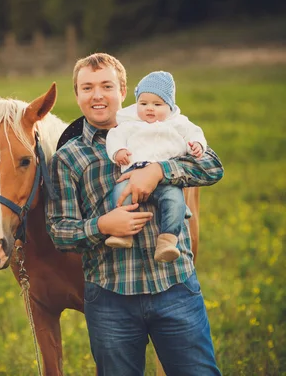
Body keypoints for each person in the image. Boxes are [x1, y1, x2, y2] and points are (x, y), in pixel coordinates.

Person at [46, 53, 223, 375]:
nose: (97, 95)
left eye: (106, 86)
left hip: (175, 287)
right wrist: (102, 225)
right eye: (87, 88)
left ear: (123, 90)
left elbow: (212, 168)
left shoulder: (163, 127)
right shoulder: (68, 157)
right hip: (110, 296)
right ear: (77, 95)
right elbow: (59, 230)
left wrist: (159, 170)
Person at [104, 71, 207, 263]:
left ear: (170, 106)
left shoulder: (177, 123)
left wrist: (197, 145)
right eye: (143, 104)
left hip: (165, 179)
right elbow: (114, 137)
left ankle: (167, 240)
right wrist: (118, 152)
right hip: (132, 174)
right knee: (119, 195)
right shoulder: (129, 124)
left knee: (175, 201)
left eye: (157, 104)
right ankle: (122, 234)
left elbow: (195, 133)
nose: (149, 109)